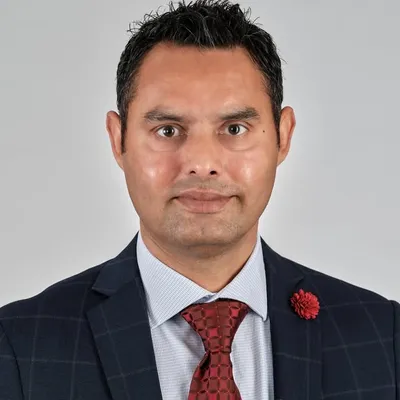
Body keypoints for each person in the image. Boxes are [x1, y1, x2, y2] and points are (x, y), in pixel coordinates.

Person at [0, 0, 399, 398]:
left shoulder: (384, 337)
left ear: (283, 136)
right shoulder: (20, 346)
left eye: (235, 128)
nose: (202, 164)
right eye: (168, 130)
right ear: (118, 140)